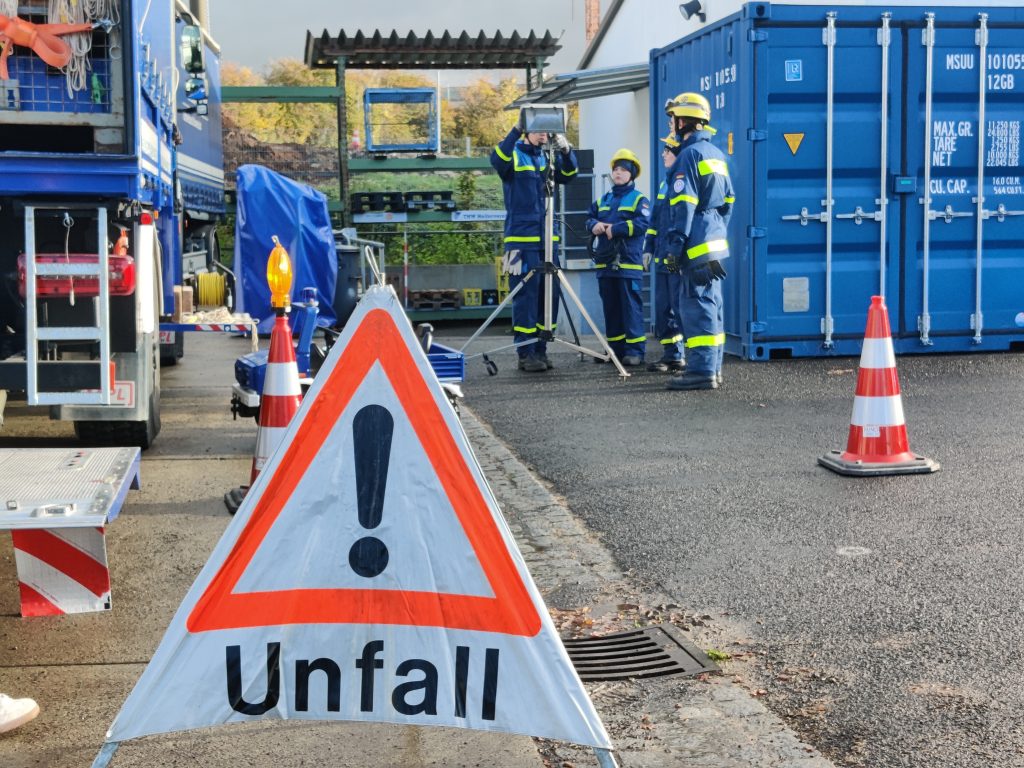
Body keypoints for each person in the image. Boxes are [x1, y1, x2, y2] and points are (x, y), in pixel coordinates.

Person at [491, 122, 578, 373]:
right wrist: (515, 129)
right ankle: (525, 352)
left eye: (546, 130)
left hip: (548, 242)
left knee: (548, 298)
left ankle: (541, 350)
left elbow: (570, 175)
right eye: (537, 129)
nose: (543, 134)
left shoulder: (546, 158)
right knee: (524, 298)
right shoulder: (514, 154)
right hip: (519, 242)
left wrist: (565, 150)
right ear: (526, 131)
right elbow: (497, 160)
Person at [662, 92, 735, 390]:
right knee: (712, 305)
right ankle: (713, 368)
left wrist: (674, 249)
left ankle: (701, 371)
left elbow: (684, 206)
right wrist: (715, 231)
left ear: (683, 121)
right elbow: (728, 200)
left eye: (673, 119)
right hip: (714, 240)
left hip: (695, 243)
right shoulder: (715, 154)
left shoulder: (688, 156)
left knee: (695, 305)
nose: (671, 125)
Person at [585, 149, 650, 366]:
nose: (618, 173)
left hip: (628, 263)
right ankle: (614, 351)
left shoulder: (639, 199)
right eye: (616, 169)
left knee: (631, 309)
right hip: (605, 264)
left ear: (632, 174)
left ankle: (635, 351)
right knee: (611, 310)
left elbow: (643, 224)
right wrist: (594, 225)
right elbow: (589, 217)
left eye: (623, 169)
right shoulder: (604, 199)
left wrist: (617, 229)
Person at [642, 133, 686, 372]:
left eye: (667, 151)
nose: (663, 154)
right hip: (661, 256)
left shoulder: (681, 181)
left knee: (676, 305)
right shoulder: (664, 183)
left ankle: (682, 355)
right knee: (663, 307)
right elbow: (655, 220)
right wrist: (648, 248)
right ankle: (672, 354)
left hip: (672, 257)